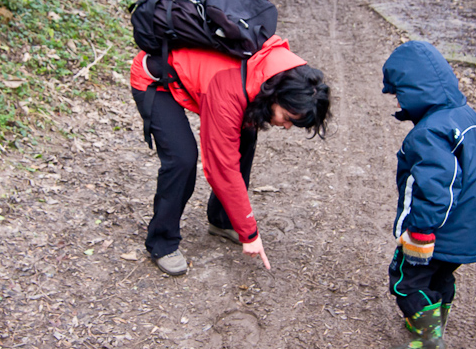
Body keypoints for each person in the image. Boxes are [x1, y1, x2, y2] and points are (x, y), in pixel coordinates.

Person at [130, 35, 331, 276]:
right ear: (276, 96)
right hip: (157, 79)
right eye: (287, 118)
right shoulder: (229, 90)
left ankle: (222, 220)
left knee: (246, 136)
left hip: (202, 77)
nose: (286, 126)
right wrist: (250, 233)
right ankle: (161, 243)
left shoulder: (285, 73)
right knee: (182, 157)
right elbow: (221, 169)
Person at [381, 41, 476, 349]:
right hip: (471, 228)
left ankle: (428, 338)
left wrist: (420, 231)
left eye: (401, 94)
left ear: (418, 90)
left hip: (436, 231)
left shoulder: (429, 133)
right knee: (442, 275)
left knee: (405, 279)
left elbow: (436, 187)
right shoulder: (471, 119)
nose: (400, 101)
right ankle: (436, 323)